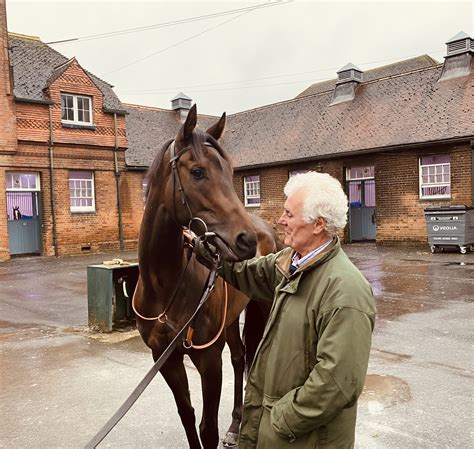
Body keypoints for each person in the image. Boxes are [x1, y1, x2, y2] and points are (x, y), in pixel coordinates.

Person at [196, 171, 376, 449]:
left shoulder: (346, 291)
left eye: (289, 214)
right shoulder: (290, 262)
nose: (280, 221)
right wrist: (205, 252)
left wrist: (278, 421)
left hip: (303, 440)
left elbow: (337, 383)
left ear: (318, 224)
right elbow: (248, 274)